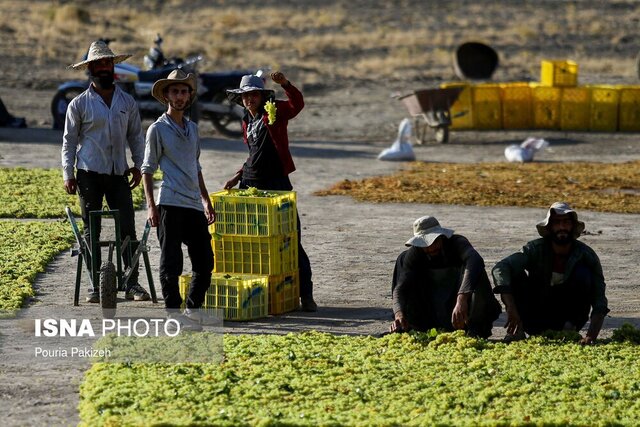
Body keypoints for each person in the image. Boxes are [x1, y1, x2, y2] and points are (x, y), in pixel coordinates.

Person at [61, 40, 150, 303]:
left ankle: (132, 283)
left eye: (107, 63)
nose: (103, 68)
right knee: (92, 230)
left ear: (113, 67)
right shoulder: (78, 104)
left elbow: (135, 136)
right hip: (88, 172)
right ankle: (95, 286)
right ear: (90, 69)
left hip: (118, 173)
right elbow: (69, 141)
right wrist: (68, 174)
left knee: (127, 229)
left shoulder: (127, 102)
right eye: (98, 64)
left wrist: (138, 165)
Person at [223, 71, 317, 312]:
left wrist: (285, 83)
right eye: (244, 96)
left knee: (291, 238)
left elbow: (297, 104)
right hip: (250, 186)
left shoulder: (274, 111)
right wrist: (238, 174)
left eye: (253, 95)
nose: (248, 99)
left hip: (277, 185)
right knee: (254, 241)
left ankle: (306, 294)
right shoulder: (247, 120)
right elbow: (254, 154)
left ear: (262, 96)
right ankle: (262, 294)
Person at [141, 69, 215, 325]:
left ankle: (193, 310)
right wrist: (151, 207)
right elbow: (147, 170)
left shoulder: (193, 129)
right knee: (171, 264)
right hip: (170, 203)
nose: (181, 96)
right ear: (166, 95)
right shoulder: (157, 130)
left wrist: (205, 200)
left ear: (189, 96)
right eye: (175, 91)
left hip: (193, 204)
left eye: (184, 91)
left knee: (205, 263)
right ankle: (174, 313)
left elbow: (196, 167)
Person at [492, 202, 609, 344]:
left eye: (566, 223)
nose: (562, 227)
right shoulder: (534, 249)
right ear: (550, 227)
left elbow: (599, 299)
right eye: (557, 223)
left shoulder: (586, 255)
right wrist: (510, 308)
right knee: (515, 273)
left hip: (567, 321)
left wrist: (591, 336)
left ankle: (568, 329)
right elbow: (501, 268)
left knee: (583, 273)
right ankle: (519, 330)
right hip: (535, 317)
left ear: (572, 227)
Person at [390, 216, 501, 338]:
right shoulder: (416, 253)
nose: (430, 248)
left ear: (442, 237)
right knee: (403, 258)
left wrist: (461, 299)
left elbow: (475, 260)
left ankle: (475, 329)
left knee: (476, 270)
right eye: (426, 245)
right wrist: (399, 314)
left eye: (434, 242)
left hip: (461, 311)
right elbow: (400, 289)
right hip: (430, 311)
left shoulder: (457, 243)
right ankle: (412, 326)